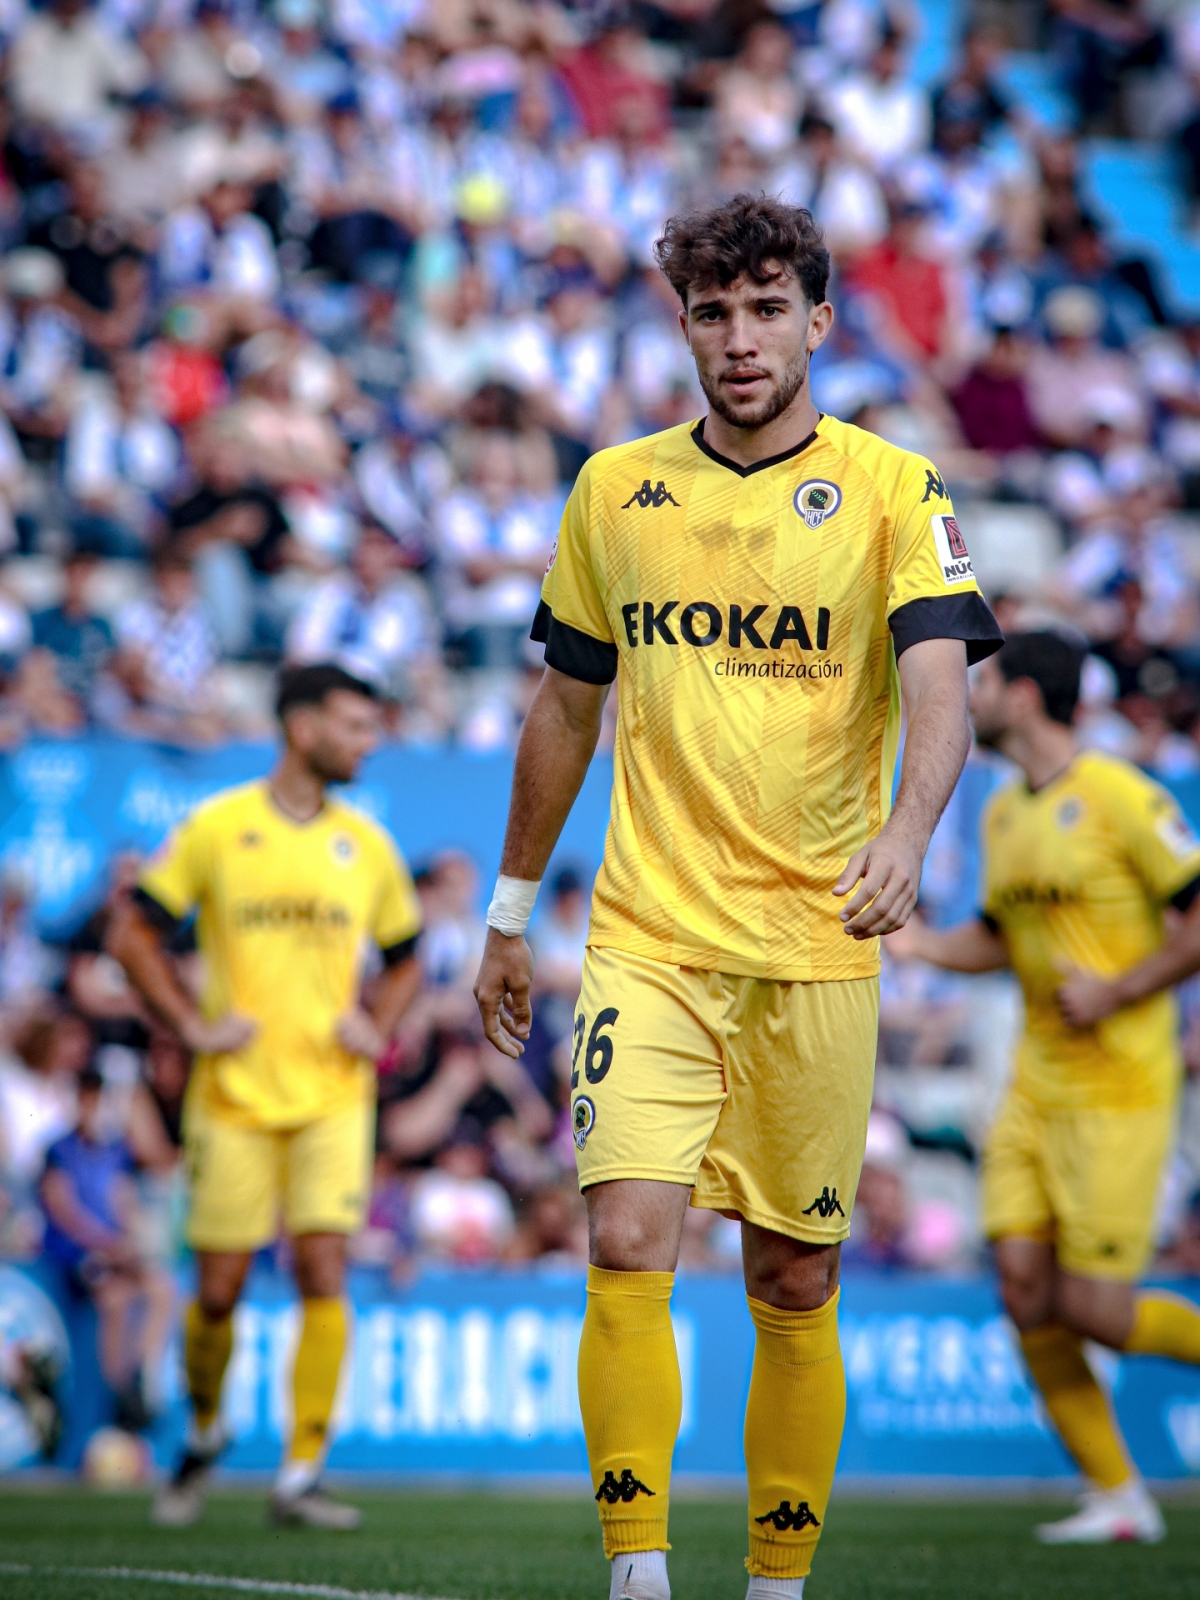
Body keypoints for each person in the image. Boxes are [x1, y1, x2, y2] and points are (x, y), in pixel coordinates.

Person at [473, 194, 1002, 1600]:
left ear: (819, 323)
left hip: (819, 946)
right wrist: (511, 916)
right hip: (650, 938)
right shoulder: (614, 490)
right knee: (628, 1234)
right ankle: (636, 1572)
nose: (741, 337)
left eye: (769, 309)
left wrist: (909, 834)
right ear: (684, 327)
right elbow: (563, 712)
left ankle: (777, 1584)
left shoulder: (897, 489)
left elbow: (943, 690)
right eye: (713, 312)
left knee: (793, 1281)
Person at [888, 631, 1200, 1545]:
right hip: (1034, 1087)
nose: (971, 698)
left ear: (1024, 696)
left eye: (983, 684)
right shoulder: (1000, 812)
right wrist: (918, 944)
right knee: (1024, 1291)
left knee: (1096, 1312)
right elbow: (998, 937)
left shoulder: (1119, 796)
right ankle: (1117, 1496)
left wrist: (1116, 990)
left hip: (1119, 1089)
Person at [109, 663, 423, 1529]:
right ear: (301, 726)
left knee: (325, 1271)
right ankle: (205, 1430)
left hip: (332, 1095)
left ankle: (300, 1472)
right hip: (234, 1097)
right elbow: (132, 932)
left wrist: (378, 1024)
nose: (370, 742)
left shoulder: (368, 845)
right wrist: (188, 1022)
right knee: (219, 1291)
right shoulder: (216, 827)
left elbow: (407, 958)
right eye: (355, 725)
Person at [39, 1066, 174, 1432]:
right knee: (115, 1297)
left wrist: (128, 1241)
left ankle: (143, 1377)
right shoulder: (59, 1150)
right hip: (75, 1254)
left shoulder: (116, 1152)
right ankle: (118, 1394)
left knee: (161, 1288)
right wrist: (106, 1242)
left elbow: (122, 1202)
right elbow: (62, 1208)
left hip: (110, 1250)